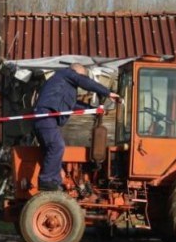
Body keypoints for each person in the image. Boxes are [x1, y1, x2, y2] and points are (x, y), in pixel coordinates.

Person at [33, 63, 120, 191]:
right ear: (76, 73)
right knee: (57, 146)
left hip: (47, 119)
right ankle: (47, 182)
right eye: (82, 77)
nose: (82, 84)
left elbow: (73, 105)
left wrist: (93, 110)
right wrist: (107, 92)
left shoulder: (65, 87)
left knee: (52, 151)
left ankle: (55, 181)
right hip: (46, 116)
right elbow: (82, 80)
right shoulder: (66, 73)